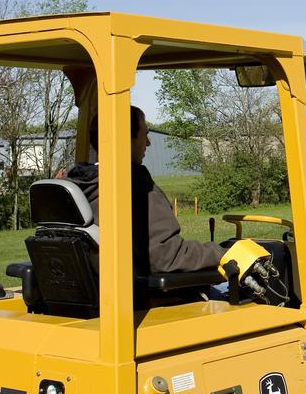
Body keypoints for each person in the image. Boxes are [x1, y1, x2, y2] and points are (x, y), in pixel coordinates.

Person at [66, 106, 225, 273]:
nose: (148, 143)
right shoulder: (136, 188)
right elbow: (165, 256)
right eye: (145, 134)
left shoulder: (78, 187)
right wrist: (222, 253)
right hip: (145, 295)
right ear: (126, 138)